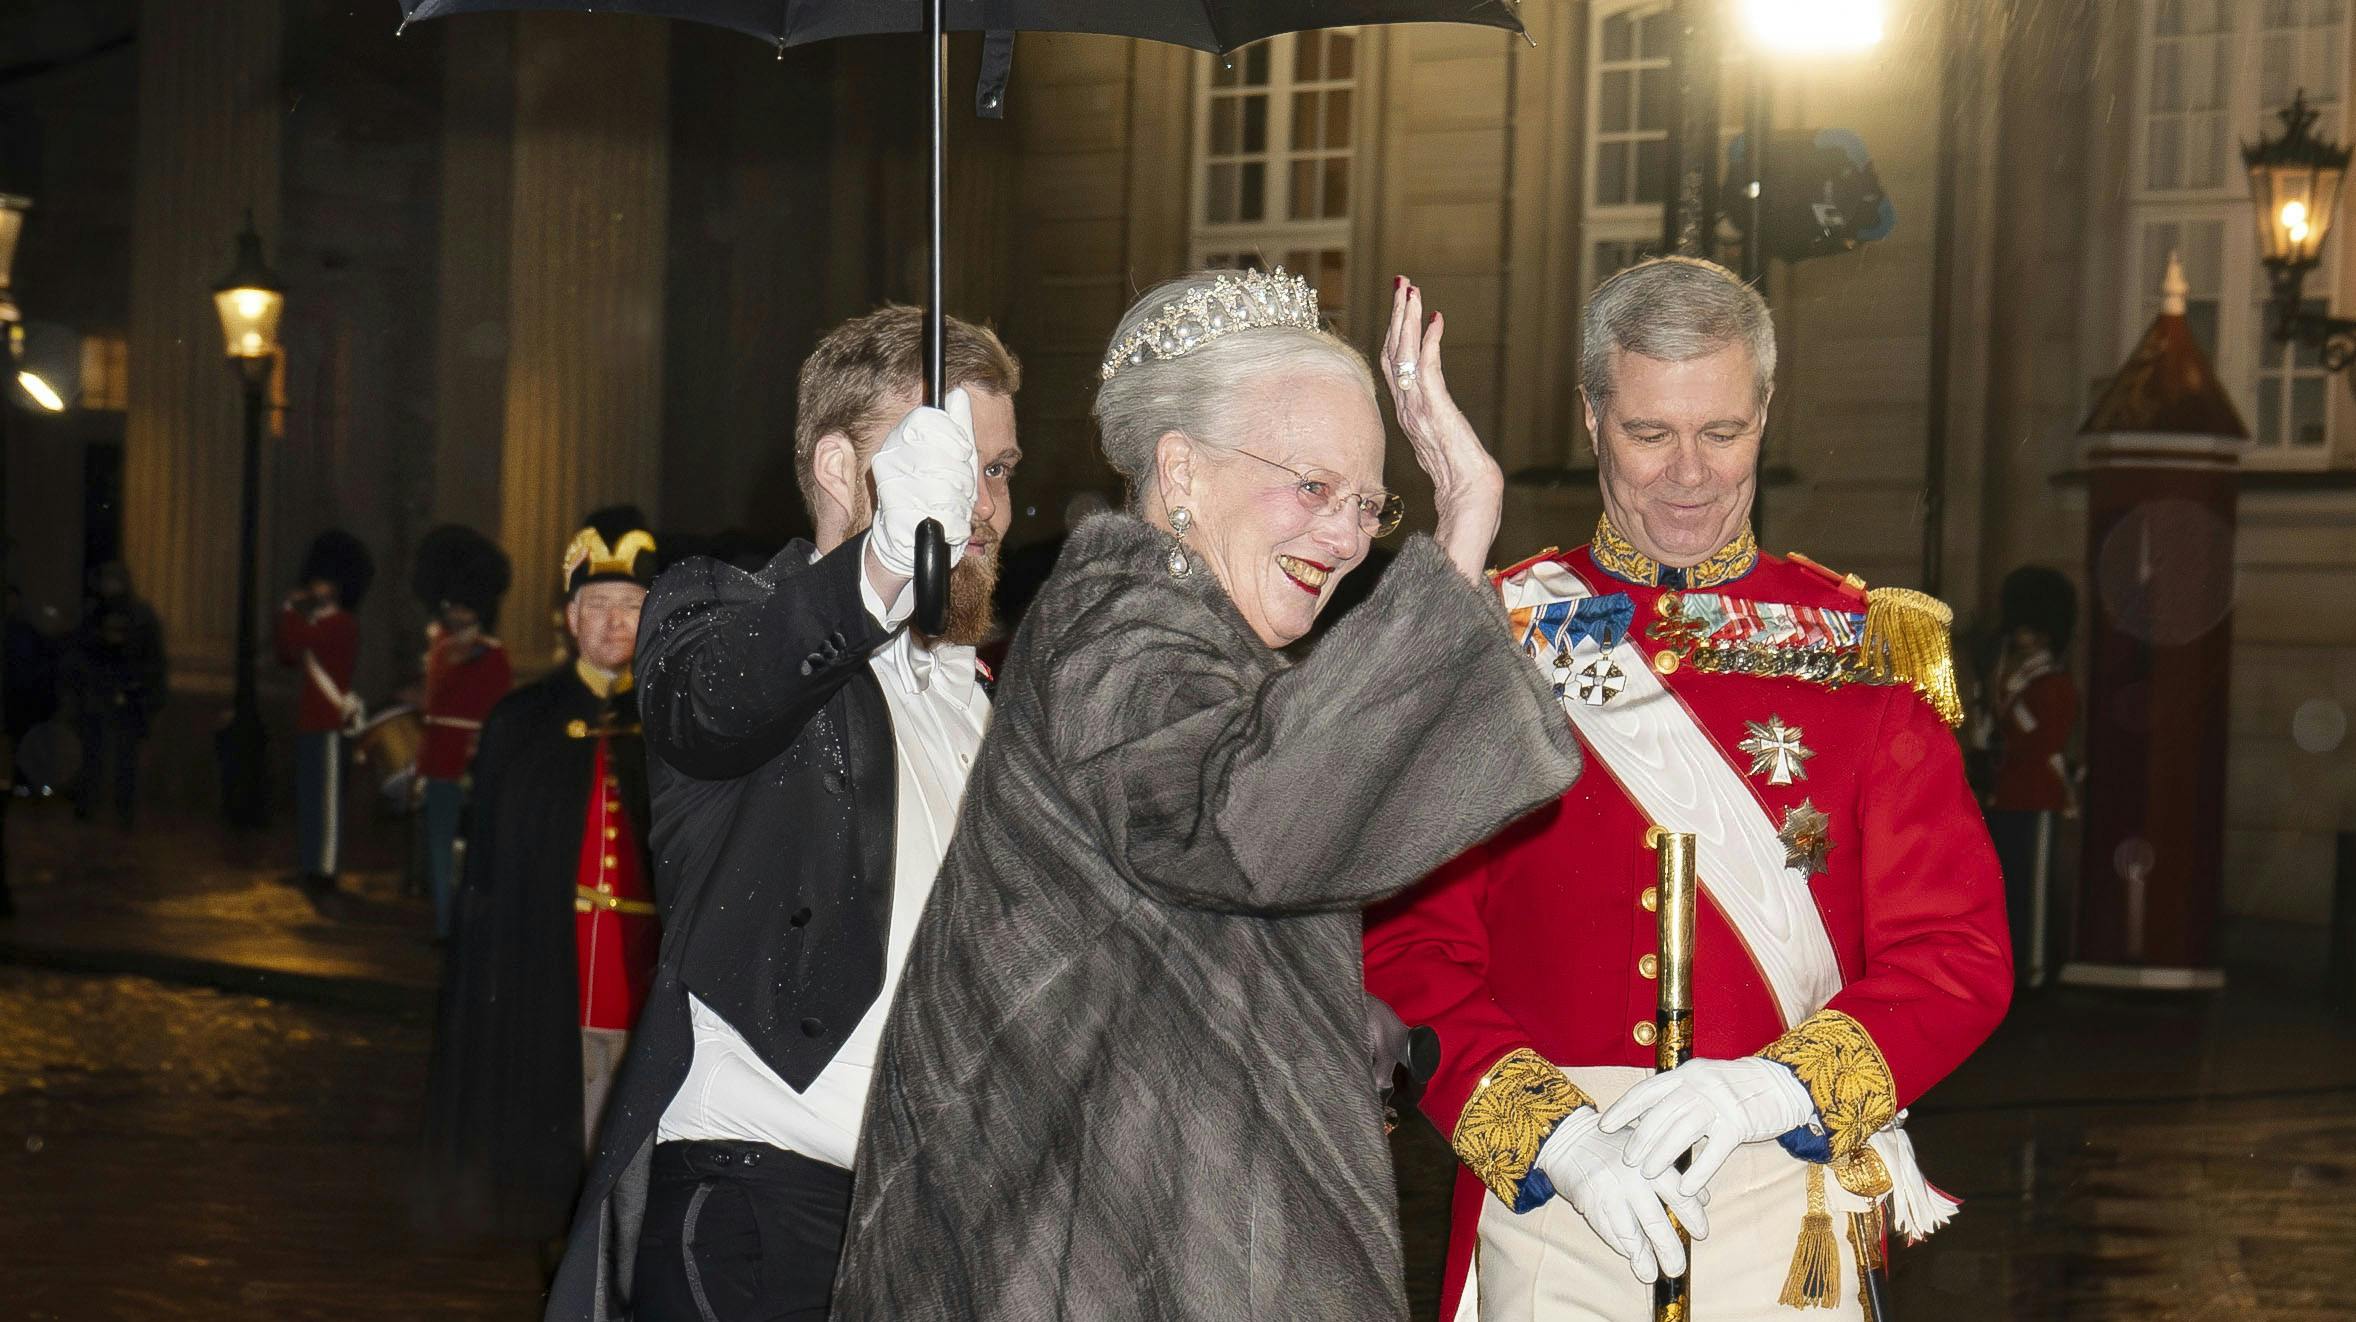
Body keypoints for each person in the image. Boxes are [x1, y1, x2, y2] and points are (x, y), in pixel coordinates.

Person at [829, 271, 1594, 1322]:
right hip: (1081, 1263)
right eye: (1313, 487)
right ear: (1181, 467)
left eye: (1371, 503)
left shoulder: (1212, 659)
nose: (1349, 537)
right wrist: (1462, 530)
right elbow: (1249, 825)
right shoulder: (1115, 626)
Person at [1364, 256, 2013, 1322]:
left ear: (1765, 412)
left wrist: (1779, 1087)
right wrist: (1554, 1138)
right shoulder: (1495, 634)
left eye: (1722, 432)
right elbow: (1405, 943)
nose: (1689, 476)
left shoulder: (1868, 650)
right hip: (1554, 1201)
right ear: (1588, 417)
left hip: (1784, 1188)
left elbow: (1957, 954)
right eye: (1649, 433)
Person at [544, 306, 1024, 1322]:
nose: (982, 503)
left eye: (1000, 469)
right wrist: (887, 562)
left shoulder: (988, 700)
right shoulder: (716, 613)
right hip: (764, 1207)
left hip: (945, 1230)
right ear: (842, 467)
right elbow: (714, 700)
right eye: (948, 463)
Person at [423, 506, 663, 1242]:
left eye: (631, 607)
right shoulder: (522, 722)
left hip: (645, 977)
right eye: (600, 606)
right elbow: (492, 877)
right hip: (547, 969)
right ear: (569, 616)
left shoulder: (678, 719)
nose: (615, 623)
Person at [1978, 565, 2079, 988]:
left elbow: (2039, 738)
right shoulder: (2012, 677)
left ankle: (2034, 971)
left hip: (2037, 796)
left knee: (2033, 892)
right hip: (2006, 795)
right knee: (2008, 889)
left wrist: (2003, 702)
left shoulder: (2050, 683)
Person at [411, 524, 513, 943]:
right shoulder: (440, 651)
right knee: (438, 847)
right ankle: (443, 923)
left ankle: (467, 923)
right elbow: (432, 703)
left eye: (465, 607)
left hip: (472, 758)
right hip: (438, 756)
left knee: (468, 850)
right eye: (452, 606)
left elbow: (497, 708)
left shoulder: (493, 655)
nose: (456, 614)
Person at [275, 529, 374, 898]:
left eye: (325, 582)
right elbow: (286, 651)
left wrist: (289, 609)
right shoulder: (316, 621)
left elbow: (300, 641)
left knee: (328, 800)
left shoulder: (343, 624)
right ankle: (309, 864)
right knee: (309, 795)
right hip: (310, 718)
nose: (318, 588)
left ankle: (326, 869)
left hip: (331, 721)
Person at [63, 561, 167, 829]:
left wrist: (149, 695)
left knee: (125, 760)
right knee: (92, 756)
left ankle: (123, 811)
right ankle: (90, 805)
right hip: (98, 695)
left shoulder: (140, 616)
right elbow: (78, 654)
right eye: (107, 580)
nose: (111, 587)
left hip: (128, 696)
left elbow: (153, 660)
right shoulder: (93, 614)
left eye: (115, 581)